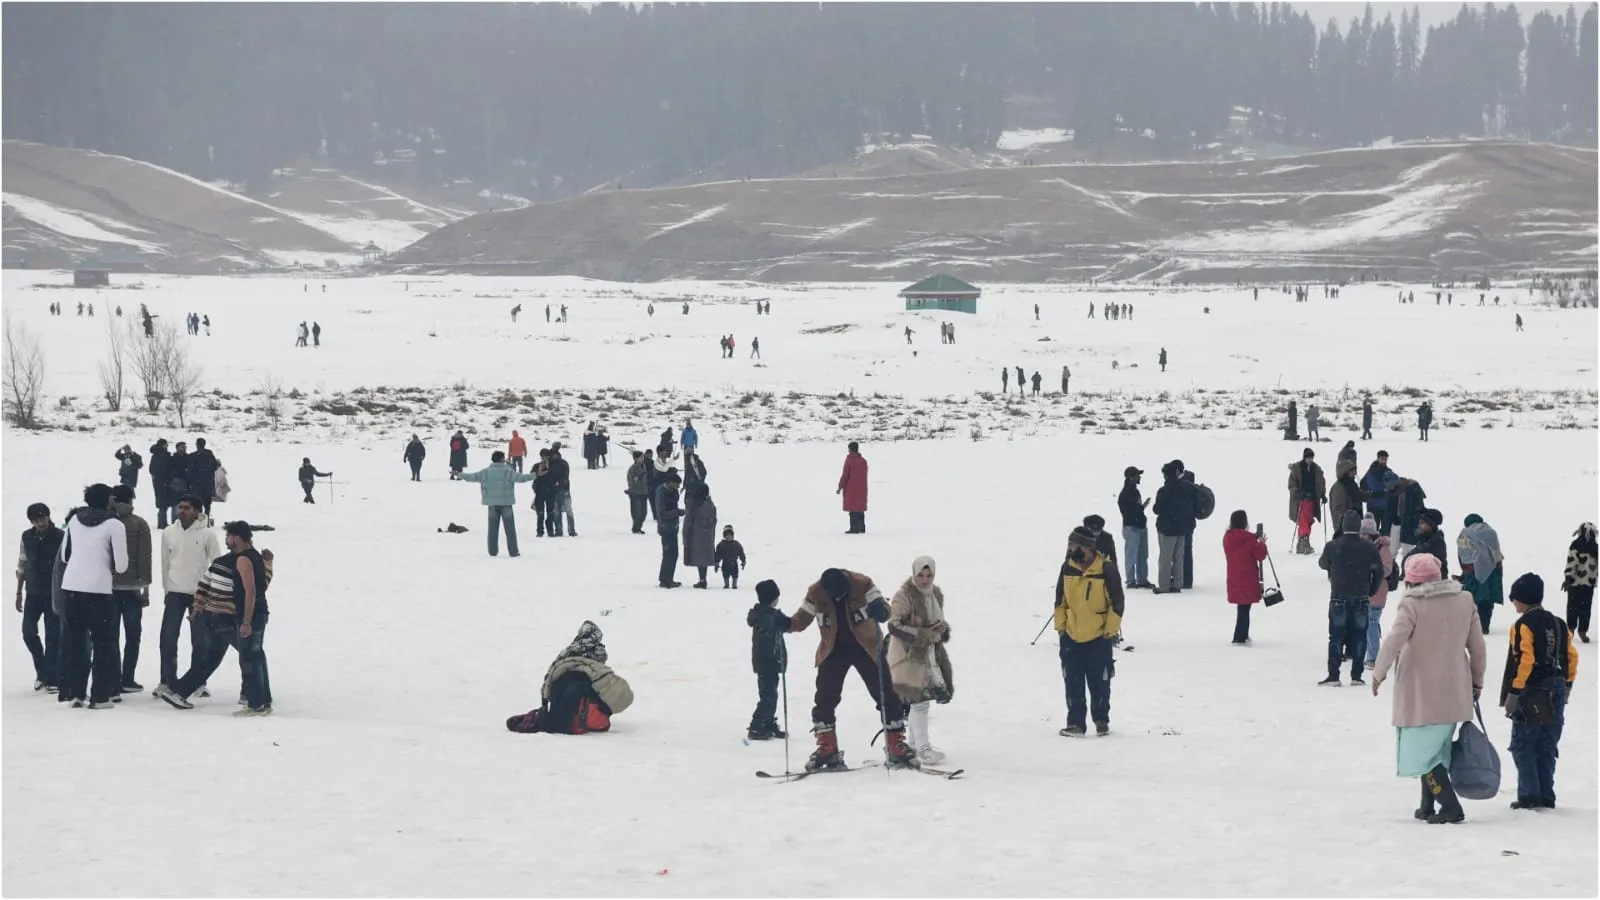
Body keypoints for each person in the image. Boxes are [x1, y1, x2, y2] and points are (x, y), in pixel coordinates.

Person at [1371, 553, 1487, 824]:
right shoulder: (1464, 600)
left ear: (1410, 581)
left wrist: (1378, 673)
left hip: (1420, 692)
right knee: (1438, 752)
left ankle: (1450, 806)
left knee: (1423, 754)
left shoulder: (1412, 604)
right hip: (1455, 690)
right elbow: (1477, 647)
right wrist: (1476, 681)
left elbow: (1392, 642)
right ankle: (1427, 805)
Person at [787, 568, 916, 769]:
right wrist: (784, 624)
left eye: (842, 595)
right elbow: (802, 619)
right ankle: (827, 748)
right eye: (833, 597)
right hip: (833, 649)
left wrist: (880, 610)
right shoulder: (815, 592)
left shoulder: (862, 583)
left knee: (885, 695)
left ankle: (895, 744)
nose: (838, 599)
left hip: (867, 646)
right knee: (824, 698)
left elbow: (885, 610)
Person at [155, 522, 275, 715]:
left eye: (228, 536)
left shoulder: (241, 560)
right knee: (245, 656)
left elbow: (250, 591)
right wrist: (269, 563)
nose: (226, 540)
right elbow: (262, 584)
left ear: (236, 537)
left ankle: (257, 703)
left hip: (241, 617)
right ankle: (260, 700)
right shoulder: (255, 559)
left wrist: (245, 621)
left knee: (249, 658)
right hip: (242, 616)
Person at [1499, 573, 1579, 810]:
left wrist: (1515, 692)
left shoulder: (1522, 625)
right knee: (1547, 743)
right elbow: (1571, 657)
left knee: (1524, 744)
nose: (1513, 602)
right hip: (1557, 687)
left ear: (1523, 599)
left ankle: (1529, 795)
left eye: (1515, 598)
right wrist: (1568, 684)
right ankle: (1546, 793)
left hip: (1533, 689)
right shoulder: (1559, 623)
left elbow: (1526, 659)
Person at [56, 484, 129, 709]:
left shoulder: (75, 520)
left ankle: (76, 693)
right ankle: (99, 696)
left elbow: (66, 555)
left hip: (71, 587)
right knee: (103, 644)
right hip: (98, 590)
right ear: (108, 500)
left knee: (76, 643)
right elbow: (122, 565)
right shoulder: (114, 524)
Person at [1054, 527, 1124, 736]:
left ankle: (1101, 720)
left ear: (1086, 547)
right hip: (1071, 636)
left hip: (1098, 637)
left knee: (1100, 682)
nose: (1069, 549)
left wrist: (1110, 630)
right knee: (1072, 682)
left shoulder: (1107, 569)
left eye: (1072, 545)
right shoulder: (1067, 567)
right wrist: (1061, 628)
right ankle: (1076, 723)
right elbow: (1059, 600)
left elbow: (1117, 602)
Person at [505, 621, 634, 735]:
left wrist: (546, 707)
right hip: (586, 713)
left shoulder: (567, 656)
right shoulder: (598, 654)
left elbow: (548, 685)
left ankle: (568, 718)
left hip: (566, 707)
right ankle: (578, 717)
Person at [887, 556, 953, 764]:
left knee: (919, 700)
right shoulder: (904, 595)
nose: (924, 580)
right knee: (919, 701)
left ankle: (914, 744)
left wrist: (941, 630)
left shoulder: (935, 594)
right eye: (921, 576)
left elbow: (937, 619)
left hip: (928, 653)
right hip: (907, 654)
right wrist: (923, 633)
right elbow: (894, 625)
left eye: (929, 575)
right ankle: (923, 748)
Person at [158, 496, 218, 693]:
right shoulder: (169, 532)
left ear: (197, 511)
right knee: (167, 639)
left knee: (200, 641)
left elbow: (216, 565)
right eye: (180, 507)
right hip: (175, 593)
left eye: (186, 508)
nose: (181, 511)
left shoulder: (208, 534)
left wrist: (211, 593)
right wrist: (166, 589)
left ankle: (198, 683)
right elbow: (165, 564)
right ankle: (167, 681)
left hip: (199, 595)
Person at [1318, 510, 1383, 686]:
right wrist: (1371, 589)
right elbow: (1379, 571)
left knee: (1336, 636)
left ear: (1343, 526)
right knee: (1359, 636)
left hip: (1339, 596)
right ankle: (1356, 676)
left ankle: (1334, 675)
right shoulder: (1368, 547)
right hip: (1361, 596)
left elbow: (1322, 563)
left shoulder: (1333, 546)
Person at [108, 485, 153, 693]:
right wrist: (146, 589)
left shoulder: (105, 522)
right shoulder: (139, 524)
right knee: (133, 635)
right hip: (132, 588)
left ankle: (112, 677)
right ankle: (127, 678)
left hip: (108, 588)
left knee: (111, 636)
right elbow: (145, 558)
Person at [15, 503, 64, 691]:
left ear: (49, 517)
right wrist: (19, 591)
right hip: (33, 591)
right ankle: (41, 669)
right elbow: (22, 563)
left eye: (43, 519)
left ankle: (52, 677)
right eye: (36, 520)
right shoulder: (27, 537)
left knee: (53, 636)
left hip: (53, 591)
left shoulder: (60, 536)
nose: (40, 523)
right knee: (28, 633)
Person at [456, 451, 538, 558]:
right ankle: (513, 551)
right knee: (510, 529)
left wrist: (459, 474)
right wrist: (535, 475)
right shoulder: (508, 471)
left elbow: (472, 477)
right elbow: (521, 478)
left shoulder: (486, 472)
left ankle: (492, 551)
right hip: (506, 503)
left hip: (492, 504)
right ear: (501, 459)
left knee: (492, 529)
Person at [746, 580, 790, 741]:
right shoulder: (765, 616)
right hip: (767, 661)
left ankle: (768, 722)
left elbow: (786, 624)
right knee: (768, 696)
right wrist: (778, 619)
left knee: (771, 694)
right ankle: (756, 726)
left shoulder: (766, 614)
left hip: (770, 661)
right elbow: (781, 624)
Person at [1222, 511, 1268, 646]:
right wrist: (1261, 543)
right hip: (1248, 577)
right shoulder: (1249, 540)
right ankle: (1240, 636)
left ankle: (1241, 635)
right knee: (1244, 608)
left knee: (1242, 607)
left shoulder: (1228, 538)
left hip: (1234, 576)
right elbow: (1260, 555)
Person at [1360, 515, 1397, 671]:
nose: (1362, 536)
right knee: (1371, 623)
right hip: (1368, 591)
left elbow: (1387, 569)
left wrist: (1370, 572)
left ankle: (1373, 658)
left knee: (1371, 623)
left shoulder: (1382, 548)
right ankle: (1372, 653)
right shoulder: (1364, 547)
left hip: (1377, 591)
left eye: (1365, 534)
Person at [1151, 461, 1194, 593]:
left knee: (1165, 558)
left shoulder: (1164, 491)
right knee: (1178, 557)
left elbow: (1157, 509)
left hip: (1166, 529)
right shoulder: (1185, 489)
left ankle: (1164, 586)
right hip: (1182, 528)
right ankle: (1177, 584)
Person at [1457, 514, 1504, 633]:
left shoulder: (1465, 534)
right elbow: (1497, 554)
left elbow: (1463, 557)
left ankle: (1474, 627)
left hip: (1472, 573)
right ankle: (1485, 625)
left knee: (1473, 601)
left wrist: (1464, 573)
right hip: (1492, 572)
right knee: (1487, 601)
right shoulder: (1491, 532)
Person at [1286, 447, 1326, 555]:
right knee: (1303, 521)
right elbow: (1291, 484)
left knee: (1308, 521)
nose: (1310, 459)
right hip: (1301, 500)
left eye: (1311, 457)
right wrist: (1297, 493)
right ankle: (1304, 542)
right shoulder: (1297, 469)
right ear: (1304, 458)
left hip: (1312, 499)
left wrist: (1322, 494)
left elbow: (1321, 482)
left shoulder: (1316, 469)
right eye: (1308, 457)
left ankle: (1302, 543)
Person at [1561, 522, 1596, 643]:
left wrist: (1567, 578)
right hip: (1589, 584)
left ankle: (1570, 630)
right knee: (1585, 608)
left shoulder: (1576, 545)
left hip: (1575, 583)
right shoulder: (1595, 548)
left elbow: (1572, 562)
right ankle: (1583, 632)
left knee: (1572, 607)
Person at [1117, 467, 1151, 589]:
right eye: (1137, 475)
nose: (1139, 477)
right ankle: (1130, 580)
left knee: (1142, 554)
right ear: (1131, 477)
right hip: (1132, 527)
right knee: (1131, 554)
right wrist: (1140, 509)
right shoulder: (1126, 493)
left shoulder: (1134, 492)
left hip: (1139, 525)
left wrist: (1141, 508)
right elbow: (1128, 511)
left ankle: (1142, 579)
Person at [683, 482, 718, 589]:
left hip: (696, 535)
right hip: (708, 535)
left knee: (699, 558)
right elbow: (714, 519)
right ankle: (703, 578)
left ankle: (702, 579)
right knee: (704, 558)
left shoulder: (693, 505)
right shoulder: (710, 504)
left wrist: (685, 536)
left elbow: (688, 521)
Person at [654, 471, 684, 588]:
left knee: (674, 554)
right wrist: (676, 513)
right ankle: (665, 579)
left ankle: (669, 578)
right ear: (670, 482)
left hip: (673, 526)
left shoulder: (673, 491)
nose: (678, 487)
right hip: (666, 527)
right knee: (668, 554)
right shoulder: (661, 493)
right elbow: (662, 513)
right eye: (677, 484)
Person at [1404, 508, 1450, 581]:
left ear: (1431, 525)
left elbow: (1415, 554)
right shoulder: (1424, 537)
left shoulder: (1435, 541)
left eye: (1422, 523)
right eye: (1419, 523)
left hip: (1435, 581)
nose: (1419, 525)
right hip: (1426, 578)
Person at [1360, 451, 1399, 534]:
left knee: (1386, 531)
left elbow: (1396, 482)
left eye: (1385, 459)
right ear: (1378, 458)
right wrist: (1383, 489)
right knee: (1372, 530)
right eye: (1382, 459)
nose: (1384, 461)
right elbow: (1370, 485)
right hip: (1373, 506)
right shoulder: (1371, 472)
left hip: (1385, 506)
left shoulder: (1389, 472)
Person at [837, 441, 869, 534]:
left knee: (853, 509)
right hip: (862, 489)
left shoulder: (849, 461)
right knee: (860, 508)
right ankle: (861, 527)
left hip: (851, 489)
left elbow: (845, 476)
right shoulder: (863, 461)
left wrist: (840, 487)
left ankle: (854, 528)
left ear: (850, 449)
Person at [1327, 459, 1365, 534]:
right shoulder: (1339, 488)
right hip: (1345, 529)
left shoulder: (1351, 485)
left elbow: (1360, 495)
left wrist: (1374, 495)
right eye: (1352, 471)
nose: (1354, 473)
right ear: (1346, 472)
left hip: (1355, 525)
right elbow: (1338, 510)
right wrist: (1341, 527)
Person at [547, 445, 576, 536]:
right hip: (555, 491)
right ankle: (559, 530)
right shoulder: (549, 464)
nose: (552, 457)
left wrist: (558, 482)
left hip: (564, 489)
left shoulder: (563, 463)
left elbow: (565, 476)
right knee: (556, 512)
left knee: (568, 511)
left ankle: (571, 530)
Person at [187, 438, 219, 517]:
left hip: (196, 484)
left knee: (198, 503)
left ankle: (200, 520)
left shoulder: (193, 455)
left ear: (197, 445)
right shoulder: (209, 454)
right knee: (207, 504)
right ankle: (206, 519)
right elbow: (215, 466)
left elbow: (189, 469)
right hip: (208, 483)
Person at [148, 439, 175, 529]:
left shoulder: (155, 456)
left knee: (162, 504)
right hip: (164, 482)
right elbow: (167, 468)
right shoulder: (164, 456)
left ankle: (162, 523)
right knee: (164, 503)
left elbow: (151, 469)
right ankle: (162, 523)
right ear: (163, 445)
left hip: (158, 483)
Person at [625, 451, 651, 534]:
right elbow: (630, 480)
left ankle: (639, 527)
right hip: (635, 493)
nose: (642, 459)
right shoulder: (632, 469)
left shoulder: (644, 467)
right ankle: (636, 528)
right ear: (636, 458)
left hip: (644, 493)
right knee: (637, 512)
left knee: (644, 513)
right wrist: (633, 483)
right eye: (641, 457)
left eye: (643, 457)